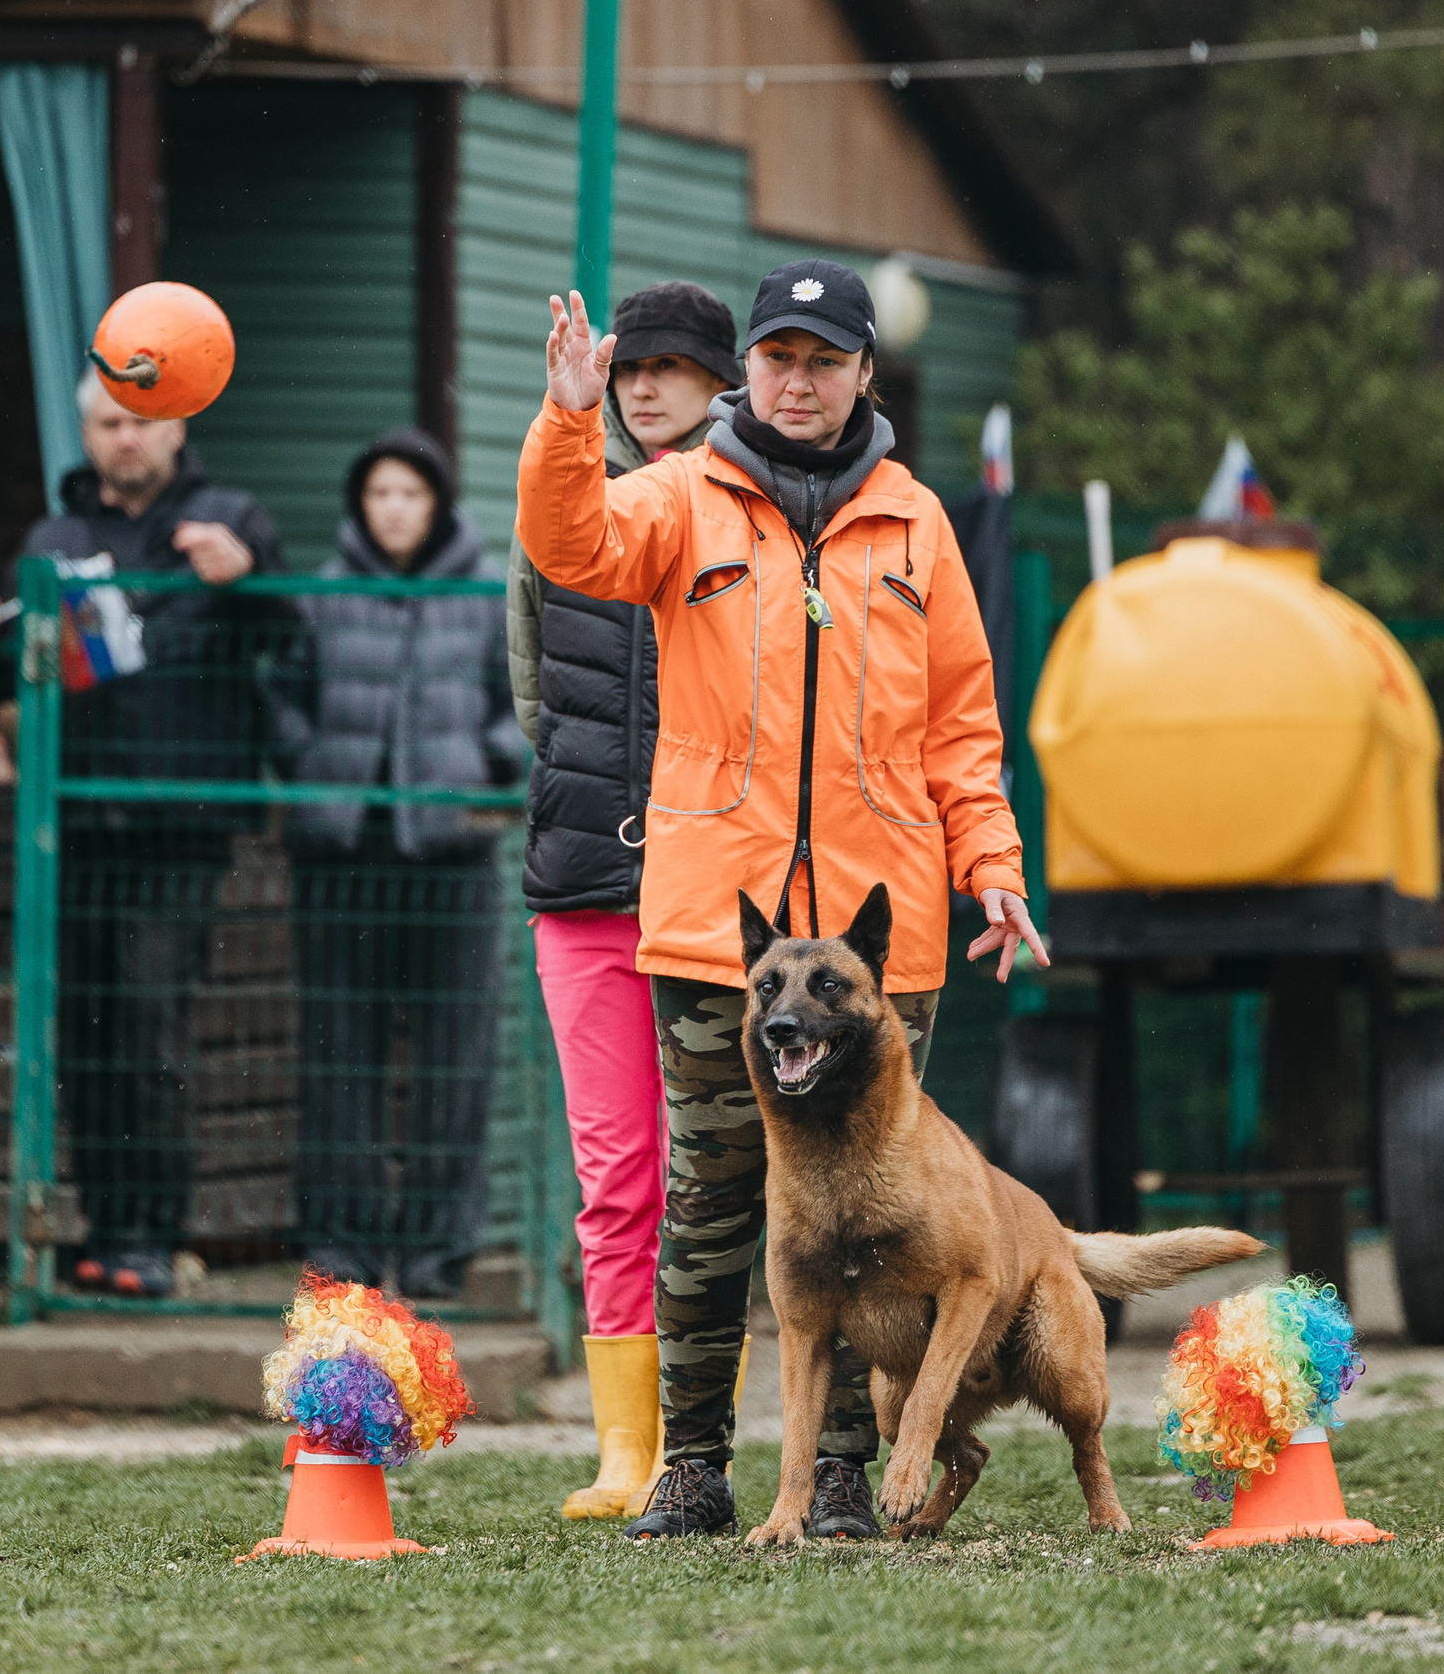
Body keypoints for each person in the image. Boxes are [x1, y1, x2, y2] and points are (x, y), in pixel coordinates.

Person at [518, 262, 1050, 1541]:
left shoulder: (918, 522)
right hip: (722, 934)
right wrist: (568, 420)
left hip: (884, 945)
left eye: (822, 359)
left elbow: (963, 727)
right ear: (744, 372)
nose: (795, 381)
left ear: (865, 373)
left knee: (872, 1225)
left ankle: (842, 1482)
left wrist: (994, 867)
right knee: (709, 1203)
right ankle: (690, 1469)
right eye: (776, 358)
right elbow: (568, 544)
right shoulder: (675, 497)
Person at [0, 371, 282, 1298]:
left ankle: (156, 1230)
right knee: (88, 1034)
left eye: (139, 422)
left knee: (151, 1025)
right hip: (78, 824)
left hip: (180, 824)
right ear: (85, 434)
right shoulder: (54, 539)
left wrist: (247, 580)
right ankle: (101, 1231)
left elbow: (288, 639)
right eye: (105, 423)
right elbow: (11, 686)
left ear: (177, 427)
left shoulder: (230, 518)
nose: (123, 438)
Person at [505, 281, 743, 1518]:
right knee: (618, 1171)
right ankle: (623, 1445)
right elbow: (535, 689)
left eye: (669, 368)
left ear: (722, 383)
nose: (643, 387)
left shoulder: (747, 506)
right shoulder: (564, 499)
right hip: (586, 881)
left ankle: (710, 1433)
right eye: (629, 366)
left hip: (716, 890)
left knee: (719, 1169)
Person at [264, 428, 527, 1299]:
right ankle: (341, 1241)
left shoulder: (485, 595)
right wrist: (311, 768)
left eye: (410, 493)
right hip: (342, 857)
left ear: (438, 503)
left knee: (456, 1055)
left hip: (449, 857)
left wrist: (482, 764)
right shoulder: (324, 594)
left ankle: (437, 1248)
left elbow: (520, 701)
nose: (394, 509)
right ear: (359, 507)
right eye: (379, 494)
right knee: (341, 1054)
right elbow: (284, 697)